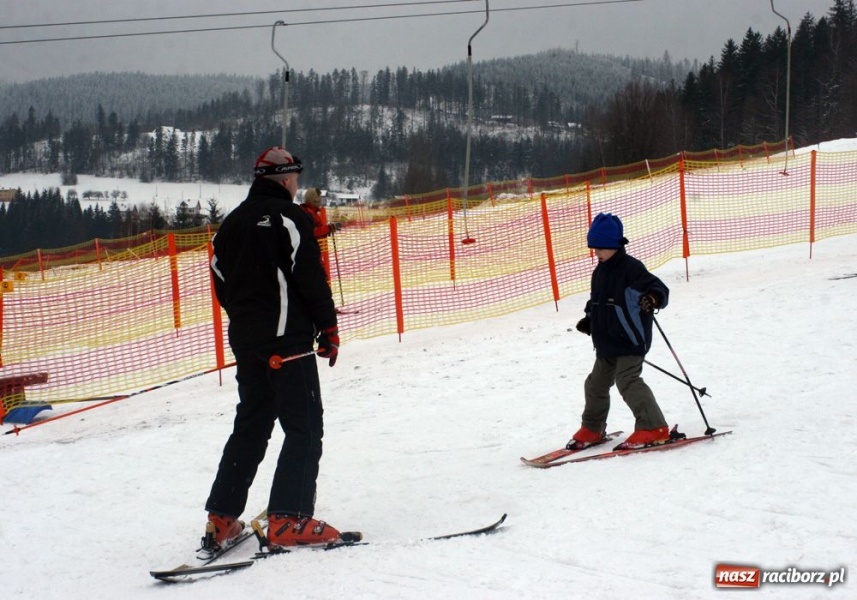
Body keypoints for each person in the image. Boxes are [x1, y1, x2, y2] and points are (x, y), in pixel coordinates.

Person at [204, 146, 342, 551]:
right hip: (289, 342)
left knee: (252, 424)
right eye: (296, 178)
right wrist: (328, 328)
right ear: (285, 179)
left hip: (248, 342)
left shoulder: (228, 226)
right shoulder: (290, 217)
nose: (298, 185)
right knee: (304, 425)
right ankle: (290, 519)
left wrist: (252, 327)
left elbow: (221, 285)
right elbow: (310, 276)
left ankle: (221, 519)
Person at [570, 212, 671, 451]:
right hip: (607, 343)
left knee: (627, 380)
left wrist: (652, 298)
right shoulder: (600, 271)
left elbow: (659, 288)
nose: (596, 253)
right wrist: (589, 319)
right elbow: (597, 301)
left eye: (599, 248)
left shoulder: (631, 268)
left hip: (630, 341)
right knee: (594, 385)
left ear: (613, 245)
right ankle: (593, 428)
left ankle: (653, 427)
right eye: (594, 249)